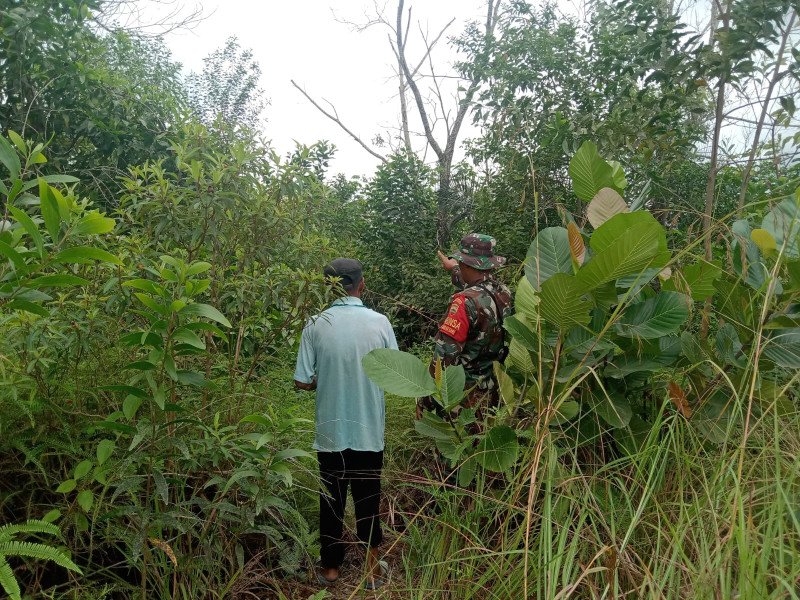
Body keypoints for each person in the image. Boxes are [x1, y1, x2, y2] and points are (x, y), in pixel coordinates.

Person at [294, 258, 397, 590]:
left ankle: (331, 569)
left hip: (330, 431)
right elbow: (395, 372)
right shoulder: (380, 323)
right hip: (368, 429)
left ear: (328, 286)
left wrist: (322, 378)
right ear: (361, 284)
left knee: (331, 498)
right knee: (368, 496)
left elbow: (302, 382)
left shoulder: (314, 324)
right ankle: (372, 569)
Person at [417, 234, 514, 425]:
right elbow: (479, 288)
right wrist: (453, 268)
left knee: (458, 451)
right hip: (496, 391)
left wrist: (425, 400)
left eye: (461, 263)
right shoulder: (503, 292)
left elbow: (444, 357)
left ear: (468, 265)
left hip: (465, 398)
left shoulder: (463, 302)